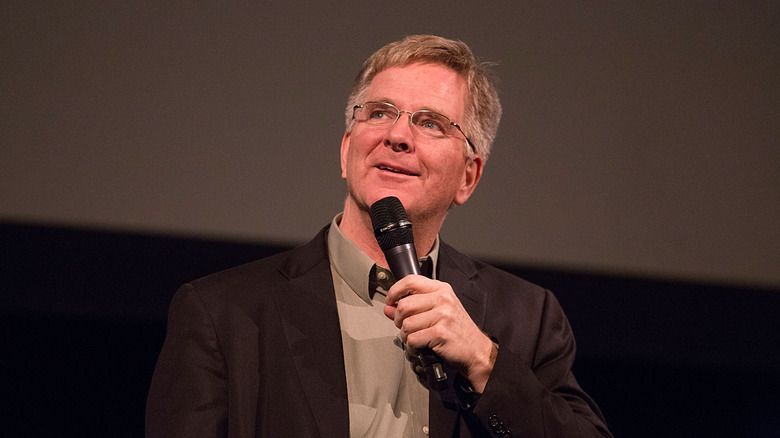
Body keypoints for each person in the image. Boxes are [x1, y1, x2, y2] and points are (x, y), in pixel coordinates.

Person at [146, 34, 612, 438]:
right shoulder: (223, 314)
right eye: (380, 113)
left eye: (430, 122)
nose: (398, 135)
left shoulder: (526, 319)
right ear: (348, 150)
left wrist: (485, 361)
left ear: (468, 177)